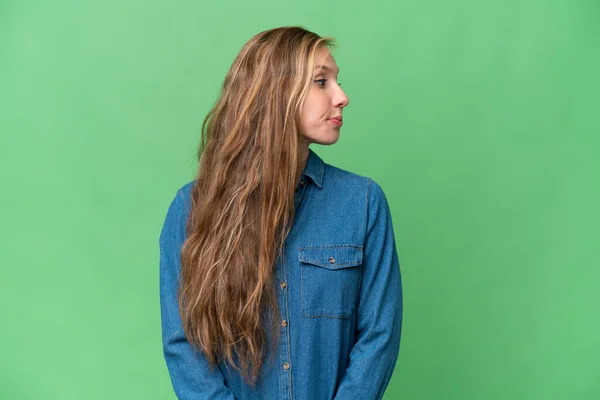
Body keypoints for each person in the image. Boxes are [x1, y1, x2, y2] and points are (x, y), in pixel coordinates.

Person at [159, 26, 403, 400]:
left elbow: (379, 336)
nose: (342, 97)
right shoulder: (191, 210)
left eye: (336, 81)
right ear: (276, 94)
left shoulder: (363, 203)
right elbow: (183, 344)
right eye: (322, 81)